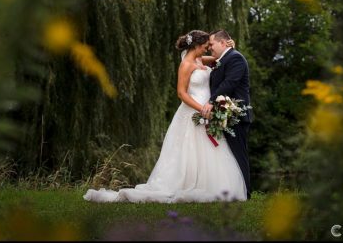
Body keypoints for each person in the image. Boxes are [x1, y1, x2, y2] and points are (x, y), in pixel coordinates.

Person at [83, 30, 247, 203]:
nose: (207, 49)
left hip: (207, 110)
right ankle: (184, 183)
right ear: (197, 46)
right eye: (205, 46)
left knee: (210, 149)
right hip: (194, 111)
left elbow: (219, 59)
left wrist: (229, 45)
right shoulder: (186, 65)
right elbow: (181, 93)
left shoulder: (201, 59)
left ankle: (207, 184)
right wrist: (202, 109)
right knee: (189, 150)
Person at [202, 29, 252, 200]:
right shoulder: (222, 60)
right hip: (225, 114)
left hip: (236, 115)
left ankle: (246, 192)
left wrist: (211, 101)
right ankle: (235, 190)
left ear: (223, 43)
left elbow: (229, 83)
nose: (209, 48)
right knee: (229, 155)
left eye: (212, 44)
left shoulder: (235, 58)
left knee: (238, 154)